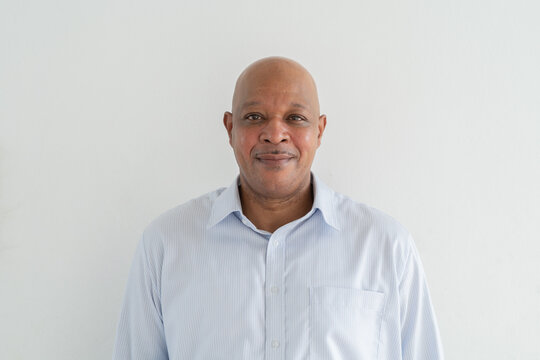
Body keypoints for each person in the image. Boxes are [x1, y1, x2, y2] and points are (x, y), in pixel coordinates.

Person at [113, 56, 444, 359]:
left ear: (319, 130)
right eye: (254, 117)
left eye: (295, 118)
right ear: (230, 128)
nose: (274, 134)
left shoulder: (386, 246)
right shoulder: (166, 243)